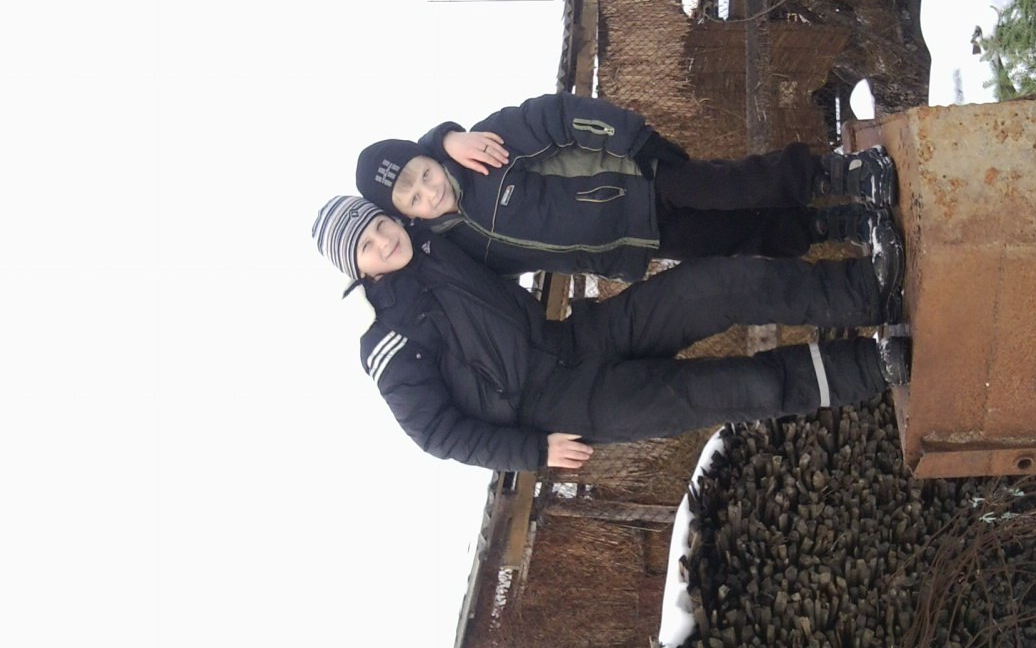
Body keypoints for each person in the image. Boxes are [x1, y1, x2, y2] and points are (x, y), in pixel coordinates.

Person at [311, 196, 911, 472]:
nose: (383, 241)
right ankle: (872, 366)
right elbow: (437, 434)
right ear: (356, 267)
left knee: (713, 287)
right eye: (366, 246)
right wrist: (531, 452)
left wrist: (445, 139)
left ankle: (868, 289)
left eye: (379, 225)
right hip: (561, 407)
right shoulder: (382, 341)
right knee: (732, 388)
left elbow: (410, 167)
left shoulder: (435, 238)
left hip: (578, 337)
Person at [354, 91, 899, 282]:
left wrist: (634, 139)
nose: (428, 191)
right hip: (634, 244)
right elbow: (415, 269)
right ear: (407, 215)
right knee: (738, 239)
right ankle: (845, 225)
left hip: (642, 181)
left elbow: (555, 115)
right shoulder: (457, 246)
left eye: (424, 173)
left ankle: (841, 174)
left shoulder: (482, 149)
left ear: (428, 157)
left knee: (738, 184)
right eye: (412, 197)